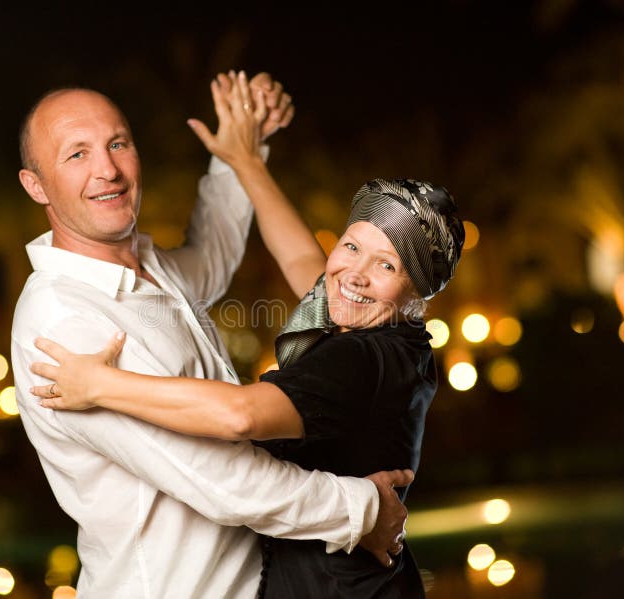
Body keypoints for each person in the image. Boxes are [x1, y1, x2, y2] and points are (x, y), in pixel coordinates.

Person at [30, 72, 466, 597]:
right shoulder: (63, 318)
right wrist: (246, 157)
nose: (107, 168)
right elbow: (301, 258)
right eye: (77, 153)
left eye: (117, 143)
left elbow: (239, 415)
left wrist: (100, 386)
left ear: (417, 294)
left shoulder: (362, 353)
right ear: (35, 185)